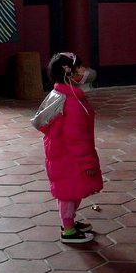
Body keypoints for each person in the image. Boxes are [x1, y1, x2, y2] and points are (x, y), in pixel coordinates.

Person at [31, 52, 103, 244]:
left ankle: (69, 222)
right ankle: (68, 230)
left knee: (70, 191)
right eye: (79, 67)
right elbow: (77, 139)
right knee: (68, 193)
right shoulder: (71, 103)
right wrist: (87, 162)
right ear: (68, 72)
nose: (83, 71)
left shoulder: (62, 95)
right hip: (69, 156)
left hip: (62, 154)